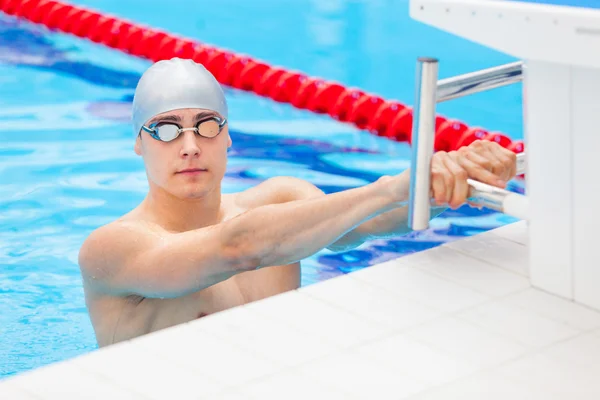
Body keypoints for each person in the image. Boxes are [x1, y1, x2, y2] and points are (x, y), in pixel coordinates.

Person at [78, 58, 518, 347]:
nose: (190, 145)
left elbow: (368, 224)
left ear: (229, 136)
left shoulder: (281, 199)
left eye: (207, 124)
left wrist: (449, 178)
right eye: (167, 129)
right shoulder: (113, 248)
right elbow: (238, 248)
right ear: (139, 142)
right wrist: (394, 185)